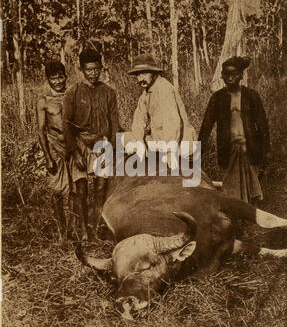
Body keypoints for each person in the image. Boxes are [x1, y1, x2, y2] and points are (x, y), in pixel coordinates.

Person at [62, 47, 120, 241]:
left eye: (96, 69)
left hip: (102, 144)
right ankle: (84, 230)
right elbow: (66, 125)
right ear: (81, 70)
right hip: (80, 143)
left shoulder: (109, 92)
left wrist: (112, 147)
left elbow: (114, 124)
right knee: (81, 189)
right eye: (89, 69)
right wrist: (74, 151)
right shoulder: (73, 92)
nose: (93, 73)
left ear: (101, 68)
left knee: (101, 188)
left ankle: (96, 227)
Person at [198, 56, 271, 204]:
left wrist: (266, 149)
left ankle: (250, 211)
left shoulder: (251, 96)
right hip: (228, 147)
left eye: (234, 74)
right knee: (231, 188)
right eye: (226, 74)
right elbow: (206, 125)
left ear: (241, 75)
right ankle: (236, 211)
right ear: (222, 76)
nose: (230, 78)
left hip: (249, 147)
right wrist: (199, 150)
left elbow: (262, 124)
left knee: (251, 184)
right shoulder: (217, 98)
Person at [123, 53, 196, 168]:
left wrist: (169, 151)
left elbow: (172, 122)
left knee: (129, 142)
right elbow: (138, 120)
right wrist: (139, 142)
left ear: (153, 73)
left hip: (178, 141)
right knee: (125, 137)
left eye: (145, 73)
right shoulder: (146, 94)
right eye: (138, 74)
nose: (141, 78)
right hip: (159, 139)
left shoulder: (164, 89)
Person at [36, 60, 72, 239]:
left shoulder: (72, 94)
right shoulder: (43, 101)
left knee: (75, 190)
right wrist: (48, 156)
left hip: (73, 147)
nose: (58, 81)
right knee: (57, 191)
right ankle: (62, 231)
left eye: (60, 77)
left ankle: (74, 229)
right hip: (54, 147)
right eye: (53, 78)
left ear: (65, 76)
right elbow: (41, 130)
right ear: (48, 79)